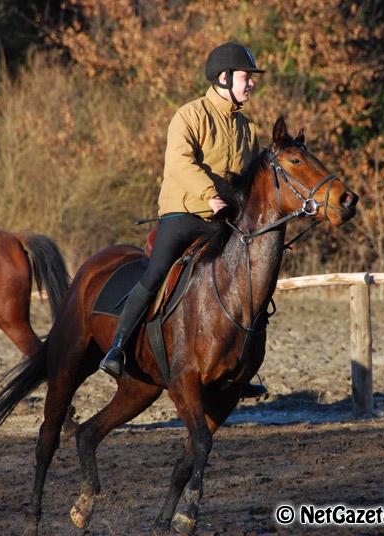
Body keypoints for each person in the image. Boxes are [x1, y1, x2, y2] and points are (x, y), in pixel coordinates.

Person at [100, 42, 268, 397]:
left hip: (225, 221)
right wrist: (212, 195)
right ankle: (118, 347)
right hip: (185, 212)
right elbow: (180, 163)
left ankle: (239, 367)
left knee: (248, 282)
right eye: (245, 77)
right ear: (223, 78)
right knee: (156, 271)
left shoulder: (248, 129)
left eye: (252, 78)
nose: (251, 83)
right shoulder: (189, 115)